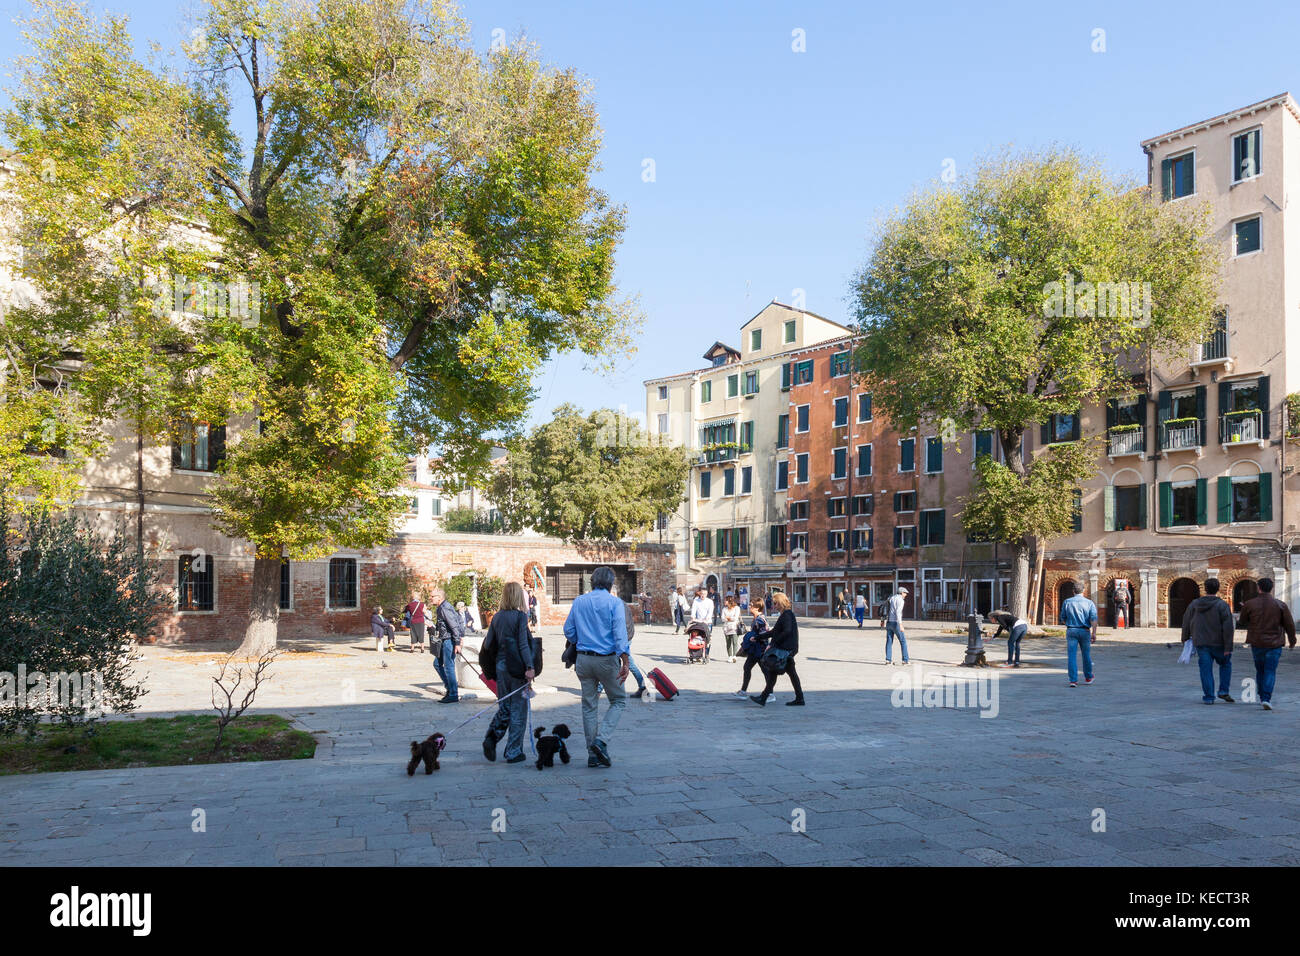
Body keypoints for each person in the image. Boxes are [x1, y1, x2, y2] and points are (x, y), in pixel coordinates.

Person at [562, 566, 630, 767]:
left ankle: (592, 754)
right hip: (606, 659)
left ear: (591, 582)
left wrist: (581, 639)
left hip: (583, 659)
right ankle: (601, 741)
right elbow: (620, 635)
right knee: (618, 700)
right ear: (611, 584)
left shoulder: (579, 601)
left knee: (589, 705)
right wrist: (625, 661)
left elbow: (568, 630)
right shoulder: (615, 603)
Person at [482, 582, 535, 764]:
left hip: (501, 667)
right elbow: (523, 644)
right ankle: (513, 751)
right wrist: (529, 666)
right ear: (518, 597)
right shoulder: (520, 617)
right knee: (519, 710)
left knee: (504, 707)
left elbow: (488, 644)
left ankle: (491, 737)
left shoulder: (497, 617)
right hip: (517, 668)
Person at [1238, 577, 1296, 711]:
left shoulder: (1250, 604)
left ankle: (1261, 695)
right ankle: (1266, 698)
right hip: (1274, 643)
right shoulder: (1280, 605)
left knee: (1260, 670)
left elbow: (1242, 621)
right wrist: (1292, 641)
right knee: (1270, 671)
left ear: (1259, 588)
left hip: (1257, 642)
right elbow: (1289, 625)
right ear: (1271, 588)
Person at [1182, 577, 1235, 704]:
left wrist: (1185, 638)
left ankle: (1209, 697)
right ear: (1218, 589)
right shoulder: (1222, 605)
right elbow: (1228, 627)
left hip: (1201, 642)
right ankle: (1223, 691)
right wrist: (1228, 647)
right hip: (1219, 643)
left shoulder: (1194, 604)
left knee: (1205, 670)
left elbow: (1186, 621)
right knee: (1225, 665)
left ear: (1205, 589)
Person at [750, 591, 804, 707]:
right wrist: (759, 637)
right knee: (789, 673)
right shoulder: (785, 614)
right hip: (788, 648)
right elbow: (774, 631)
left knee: (776, 672)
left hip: (786, 649)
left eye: (775, 603)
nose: (774, 606)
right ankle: (799, 698)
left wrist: (773, 643)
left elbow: (787, 631)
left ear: (780, 603)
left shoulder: (787, 614)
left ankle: (764, 697)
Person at [1059, 581, 1098, 688]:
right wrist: (1094, 633)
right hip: (1085, 631)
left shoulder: (1067, 602)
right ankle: (1088, 677)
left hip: (1071, 630)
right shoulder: (1089, 603)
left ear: (1073, 591)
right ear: (1084, 591)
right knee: (1086, 655)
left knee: (1071, 655)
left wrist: (1069, 624)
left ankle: (1073, 680)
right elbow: (1093, 619)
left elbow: (1062, 618)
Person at [429, 588, 465, 702]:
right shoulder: (441, 607)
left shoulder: (445, 608)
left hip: (449, 641)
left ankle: (453, 694)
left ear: (439, 597)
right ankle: (449, 688)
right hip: (444, 639)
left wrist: (458, 642)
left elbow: (454, 625)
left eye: (432, 596)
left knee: (449, 667)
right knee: (437, 664)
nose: (431, 598)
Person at [735, 599, 770, 699]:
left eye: (751, 605)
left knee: (764, 670)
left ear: (757, 607)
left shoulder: (760, 619)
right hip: (755, 649)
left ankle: (769, 693)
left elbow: (764, 634)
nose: (749, 606)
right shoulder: (756, 618)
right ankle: (743, 691)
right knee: (749, 668)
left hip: (759, 649)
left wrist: (755, 638)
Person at [885, 587, 910, 665]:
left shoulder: (891, 598)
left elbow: (886, 609)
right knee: (903, 641)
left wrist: (882, 620)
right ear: (901, 592)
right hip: (896, 623)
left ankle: (888, 660)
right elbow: (898, 612)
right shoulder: (901, 600)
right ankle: (905, 660)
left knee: (889, 641)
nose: (906, 595)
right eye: (905, 593)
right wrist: (901, 624)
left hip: (889, 622)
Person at [690, 586, 714, 661]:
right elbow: (693, 610)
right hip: (698, 622)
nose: (703, 595)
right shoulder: (696, 601)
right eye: (702, 593)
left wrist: (706, 619)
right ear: (700, 593)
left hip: (707, 622)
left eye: (704, 594)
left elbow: (710, 612)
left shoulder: (709, 602)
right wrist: (693, 617)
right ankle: (697, 654)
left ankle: (706, 654)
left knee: (707, 638)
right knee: (698, 638)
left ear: (707, 594)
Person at [721, 595, 742, 662]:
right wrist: (730, 618)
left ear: (729, 601)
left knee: (735, 641)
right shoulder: (724, 609)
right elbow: (722, 619)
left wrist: (728, 618)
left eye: (725, 600)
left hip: (734, 627)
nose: (724, 601)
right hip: (726, 628)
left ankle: (734, 656)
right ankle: (730, 656)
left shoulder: (736, 608)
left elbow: (735, 618)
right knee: (728, 642)